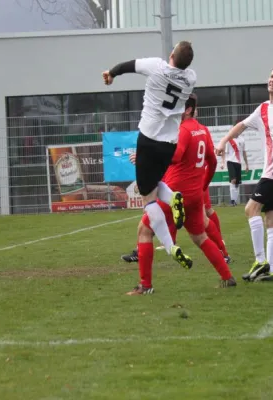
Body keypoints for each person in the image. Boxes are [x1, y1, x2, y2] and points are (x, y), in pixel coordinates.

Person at [126, 94, 235, 295]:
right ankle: (227, 277)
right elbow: (211, 161)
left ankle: (145, 285)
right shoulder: (202, 130)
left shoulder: (183, 130)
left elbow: (175, 157)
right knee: (200, 237)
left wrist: (146, 157)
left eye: (178, 107)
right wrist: (203, 186)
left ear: (187, 109)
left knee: (144, 230)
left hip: (175, 193)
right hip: (194, 194)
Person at [102, 41, 196, 269]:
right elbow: (182, 67)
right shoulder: (191, 78)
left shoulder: (156, 66)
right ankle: (172, 200)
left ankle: (170, 245)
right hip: (169, 143)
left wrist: (111, 73)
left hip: (149, 137)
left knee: (147, 198)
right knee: (154, 184)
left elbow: (128, 65)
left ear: (172, 53)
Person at [216, 66, 273, 282]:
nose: (272, 80)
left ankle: (260, 260)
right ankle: (271, 270)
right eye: (271, 76)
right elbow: (242, 125)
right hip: (271, 170)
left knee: (250, 209)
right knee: (271, 217)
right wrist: (224, 140)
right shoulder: (263, 108)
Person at [221, 132, 249, 206]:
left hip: (238, 163)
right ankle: (232, 200)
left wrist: (247, 164)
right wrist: (222, 163)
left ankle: (235, 201)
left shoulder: (242, 140)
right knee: (233, 180)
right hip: (230, 161)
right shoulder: (229, 139)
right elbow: (224, 151)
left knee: (237, 183)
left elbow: (244, 153)